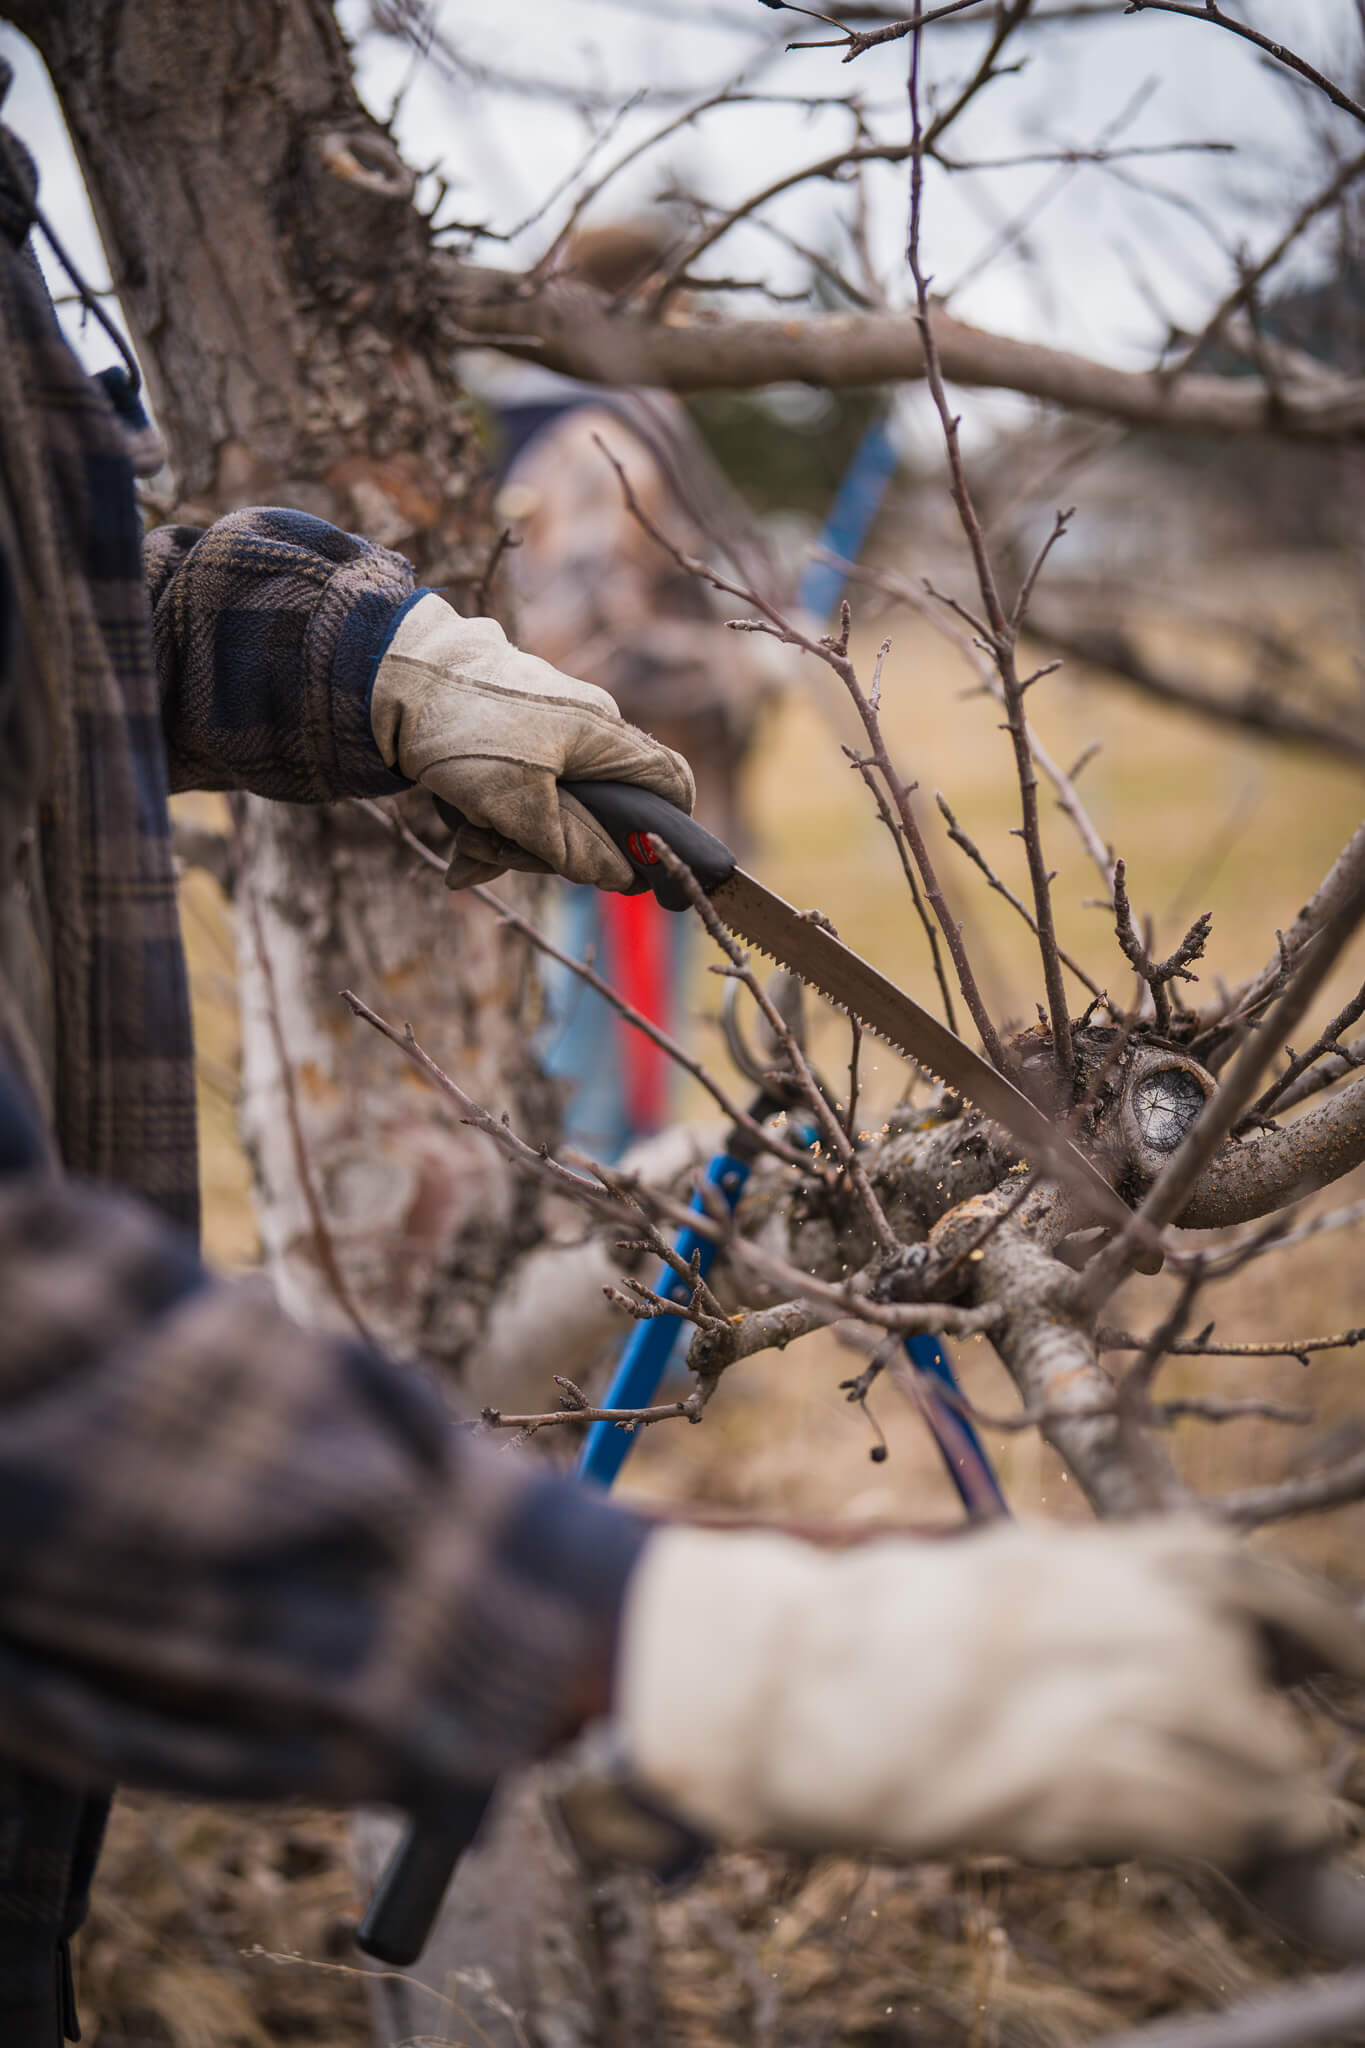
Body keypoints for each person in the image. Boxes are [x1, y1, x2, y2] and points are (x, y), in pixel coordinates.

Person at [1, 74, 1361, 2048]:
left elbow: (67, 594)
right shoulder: (607, 438)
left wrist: (374, 660)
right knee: (603, 1070)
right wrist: (678, 1637)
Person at [467, 220, 790, 1156]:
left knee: (626, 1067)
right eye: (678, 305)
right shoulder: (602, 443)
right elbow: (585, 650)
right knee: (605, 1093)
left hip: (650, 809)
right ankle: (596, 1229)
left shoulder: (619, 431)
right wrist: (738, 661)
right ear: (644, 302)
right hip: (621, 812)